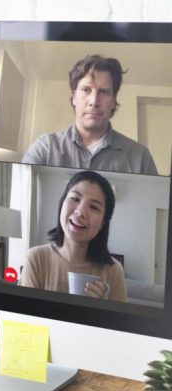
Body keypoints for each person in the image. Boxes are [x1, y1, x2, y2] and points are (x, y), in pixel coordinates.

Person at [22, 54, 158, 175]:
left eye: (104, 92)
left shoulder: (141, 158)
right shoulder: (45, 148)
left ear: (113, 101)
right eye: (86, 90)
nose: (94, 101)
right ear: (74, 97)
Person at [19, 170, 127, 301]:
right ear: (62, 203)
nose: (80, 212)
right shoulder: (36, 258)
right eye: (75, 199)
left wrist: (101, 308)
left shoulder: (114, 271)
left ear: (103, 221)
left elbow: (118, 321)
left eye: (93, 207)